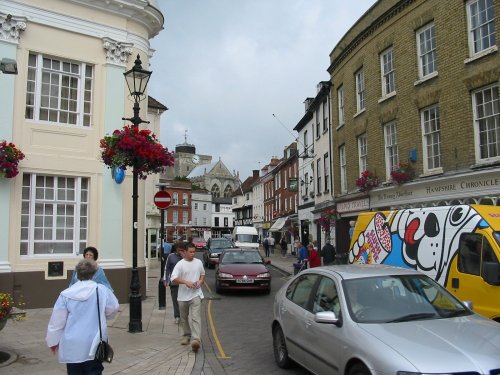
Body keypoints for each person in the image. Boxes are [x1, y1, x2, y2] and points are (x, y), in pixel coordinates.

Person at [46, 259, 119, 375]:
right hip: (94, 342)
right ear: (94, 273)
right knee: (94, 370)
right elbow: (114, 308)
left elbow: (57, 321)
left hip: (72, 343)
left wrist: (53, 341)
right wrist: (103, 315)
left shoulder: (66, 294)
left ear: (77, 273)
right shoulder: (101, 290)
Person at [171, 243, 205, 353]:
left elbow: (202, 274)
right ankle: (186, 335)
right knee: (184, 318)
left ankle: (196, 340)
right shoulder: (180, 264)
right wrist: (186, 282)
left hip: (196, 294)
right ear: (184, 252)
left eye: (194, 251)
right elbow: (174, 278)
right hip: (182, 296)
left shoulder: (198, 262)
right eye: (190, 252)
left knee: (195, 317)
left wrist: (200, 281)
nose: (193, 254)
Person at [164, 242, 185, 324]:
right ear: (176, 248)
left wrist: (183, 256)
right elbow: (167, 268)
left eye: (182, 249)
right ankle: (177, 316)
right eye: (179, 249)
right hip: (174, 283)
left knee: (183, 300)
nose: (180, 251)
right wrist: (165, 280)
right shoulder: (171, 256)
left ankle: (184, 316)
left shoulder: (186, 257)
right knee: (175, 300)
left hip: (184, 283)